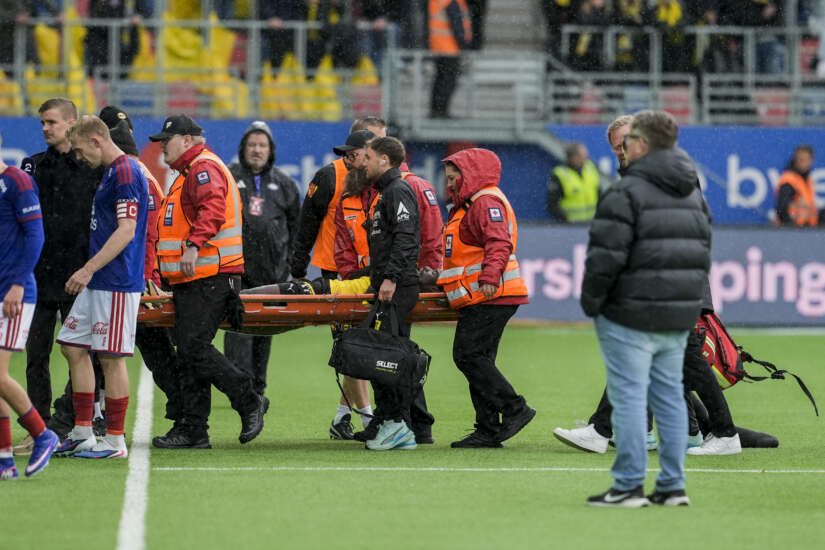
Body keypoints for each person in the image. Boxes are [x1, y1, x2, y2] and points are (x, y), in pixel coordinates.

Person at [581, 110, 711, 507]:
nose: (623, 149)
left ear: (642, 143)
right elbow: (702, 248)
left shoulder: (626, 191)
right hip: (678, 312)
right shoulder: (690, 189)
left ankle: (628, 485)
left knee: (630, 398)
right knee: (669, 397)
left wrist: (593, 301)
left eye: (628, 142)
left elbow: (606, 255)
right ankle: (672, 485)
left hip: (632, 311)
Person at [149, 115, 268, 449]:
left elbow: (212, 209)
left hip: (210, 275)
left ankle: (248, 399)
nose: (162, 147)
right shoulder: (190, 171)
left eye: (167, 140)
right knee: (190, 354)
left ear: (187, 140)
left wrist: (193, 245)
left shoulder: (202, 168)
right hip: (196, 278)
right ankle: (193, 429)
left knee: (193, 349)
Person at [52, 115, 149, 459]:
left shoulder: (126, 172)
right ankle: (82, 431)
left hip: (117, 281)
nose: (80, 158)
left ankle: (114, 440)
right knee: (72, 346)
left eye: (80, 151)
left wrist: (88, 269)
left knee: (111, 358)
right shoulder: (112, 171)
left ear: (96, 140)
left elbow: (126, 230)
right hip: (101, 281)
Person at [18, 98, 104, 449]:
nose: (44, 128)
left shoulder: (92, 168)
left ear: (71, 123)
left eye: (51, 122)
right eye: (42, 122)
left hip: (78, 277)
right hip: (39, 277)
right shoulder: (32, 166)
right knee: (36, 357)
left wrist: (91, 269)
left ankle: (72, 422)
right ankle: (38, 430)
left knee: (81, 355)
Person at [436, 148, 535, 449]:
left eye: (453, 178)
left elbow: (498, 242)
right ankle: (488, 428)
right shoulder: (469, 204)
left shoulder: (484, 202)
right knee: (478, 359)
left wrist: (490, 277)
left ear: (469, 175)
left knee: (468, 356)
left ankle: (514, 408)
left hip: (492, 294)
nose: (448, 184)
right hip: (483, 296)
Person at [99, 106, 185, 434]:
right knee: (150, 351)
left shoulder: (129, 175)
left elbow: (148, 236)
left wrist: (147, 277)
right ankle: (184, 409)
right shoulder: (134, 173)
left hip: (135, 278)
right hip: (133, 275)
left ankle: (186, 408)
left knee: (147, 350)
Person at [290, 129, 376, 440]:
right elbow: (307, 223)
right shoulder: (329, 177)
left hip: (369, 276)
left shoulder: (379, 181)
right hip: (336, 276)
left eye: (354, 154)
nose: (349, 159)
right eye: (347, 154)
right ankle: (368, 419)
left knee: (359, 347)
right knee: (353, 347)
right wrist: (298, 268)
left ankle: (342, 417)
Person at [224, 121, 300, 400]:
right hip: (237, 270)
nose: (257, 150)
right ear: (243, 148)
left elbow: (296, 227)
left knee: (264, 331)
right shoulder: (229, 178)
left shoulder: (285, 184)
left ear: (270, 150)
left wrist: (292, 263)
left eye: (262, 145)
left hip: (273, 273)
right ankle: (239, 387)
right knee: (238, 328)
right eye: (252, 145)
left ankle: (258, 387)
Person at [0, 132, 60, 479]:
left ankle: (42, 434)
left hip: (15, 293)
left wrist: (18, 283)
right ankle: (5, 459)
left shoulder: (17, 182)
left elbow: (36, 235)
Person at [361, 136, 421, 451]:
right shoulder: (386, 192)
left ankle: (397, 424)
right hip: (389, 285)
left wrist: (391, 278)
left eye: (368, 157)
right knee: (382, 357)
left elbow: (406, 236)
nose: (364, 163)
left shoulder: (397, 190)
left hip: (397, 287)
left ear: (384, 160)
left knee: (387, 359)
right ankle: (392, 422)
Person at [429, 0, 472, 118]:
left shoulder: (438, 2)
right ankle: (441, 111)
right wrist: (464, 46)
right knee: (448, 81)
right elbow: (457, 25)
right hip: (450, 48)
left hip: (438, 45)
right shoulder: (451, 2)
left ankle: (435, 111)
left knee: (440, 79)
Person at [546, 141, 601, 223]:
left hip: (592, 223)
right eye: (582, 155)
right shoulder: (559, 175)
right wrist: (565, 220)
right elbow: (552, 204)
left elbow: (600, 194)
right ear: (574, 157)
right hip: (571, 226)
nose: (586, 158)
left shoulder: (591, 168)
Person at [775, 145, 818, 227]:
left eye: (806, 160)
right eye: (800, 159)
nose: (803, 163)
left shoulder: (807, 178)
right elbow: (781, 207)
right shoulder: (789, 180)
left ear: (811, 161)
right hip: (794, 228)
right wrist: (790, 225)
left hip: (808, 227)